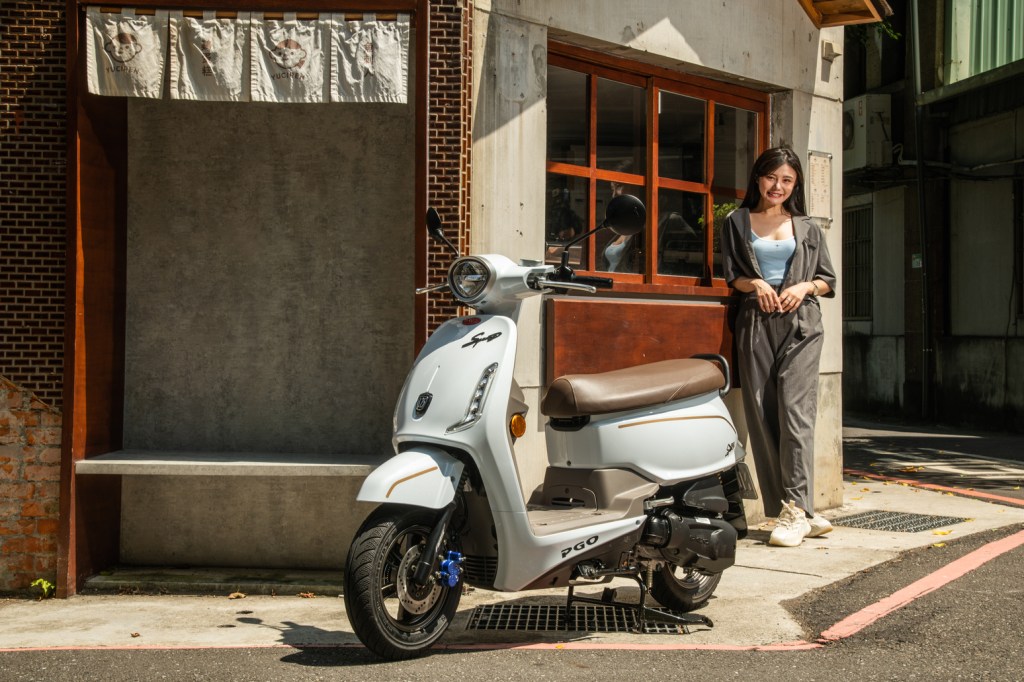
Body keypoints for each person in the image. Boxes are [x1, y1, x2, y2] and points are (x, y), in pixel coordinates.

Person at [720, 147, 838, 548]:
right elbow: (733, 275)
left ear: (795, 185)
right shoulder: (736, 222)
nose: (778, 186)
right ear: (758, 178)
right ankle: (797, 509)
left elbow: (827, 280)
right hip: (755, 322)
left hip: (801, 324)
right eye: (772, 177)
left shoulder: (807, 227)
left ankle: (794, 510)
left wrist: (804, 286)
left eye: (787, 180)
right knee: (763, 413)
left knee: (795, 413)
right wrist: (755, 283)